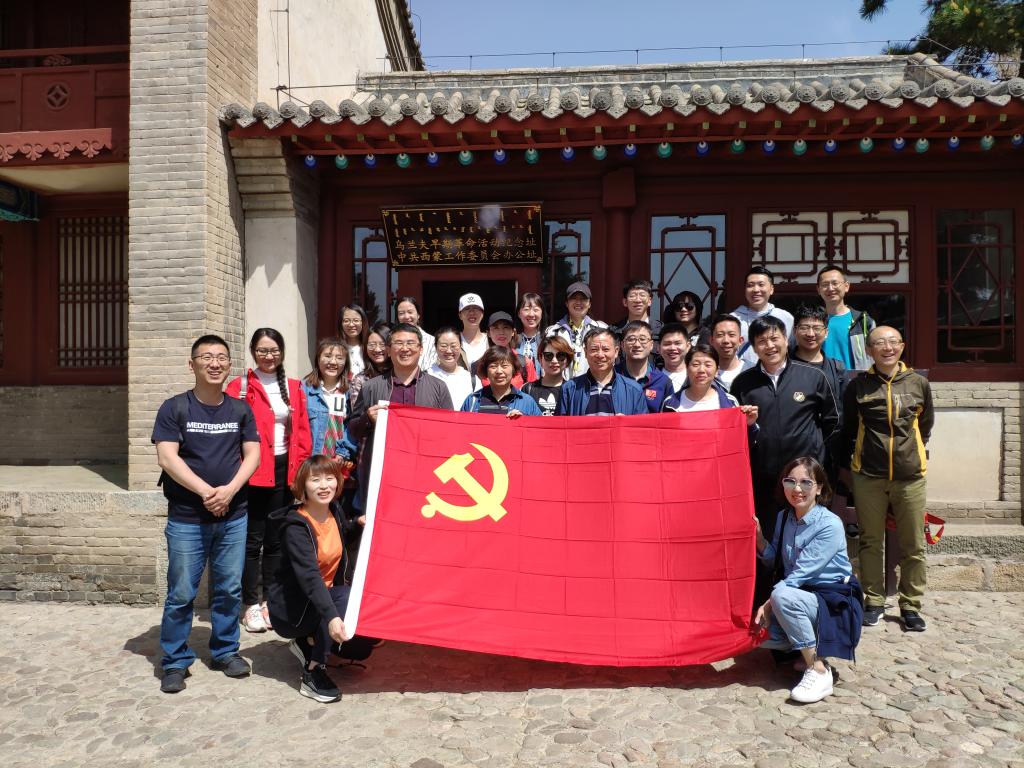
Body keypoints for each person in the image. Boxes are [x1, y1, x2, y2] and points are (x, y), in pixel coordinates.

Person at [152, 334, 260, 693]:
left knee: (228, 588)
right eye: (207, 357)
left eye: (222, 357)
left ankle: (226, 651)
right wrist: (206, 492)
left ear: (229, 365)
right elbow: (167, 457)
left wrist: (229, 491)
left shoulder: (240, 409)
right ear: (192, 364)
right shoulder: (174, 407)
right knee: (181, 592)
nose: (215, 363)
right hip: (187, 517)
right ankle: (175, 660)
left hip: (233, 515)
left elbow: (253, 454)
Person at [841, 326, 934, 631]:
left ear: (902, 346)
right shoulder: (859, 386)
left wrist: (910, 454)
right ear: (869, 350)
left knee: (914, 544)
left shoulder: (918, 384)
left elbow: (925, 425)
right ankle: (874, 601)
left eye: (893, 342)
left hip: (910, 477)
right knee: (871, 541)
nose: (887, 347)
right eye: (879, 343)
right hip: (869, 475)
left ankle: (910, 605)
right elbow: (850, 428)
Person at [267, 455, 377, 703]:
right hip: (293, 610)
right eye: (315, 480)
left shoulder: (334, 511)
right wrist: (332, 617)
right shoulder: (296, 526)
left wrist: (356, 524)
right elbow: (310, 578)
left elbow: (337, 542)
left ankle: (308, 641)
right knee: (346, 598)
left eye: (329, 478)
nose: (324, 485)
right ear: (303, 486)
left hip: (322, 600)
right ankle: (313, 670)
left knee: (362, 648)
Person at [754, 456, 862, 704]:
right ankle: (805, 652)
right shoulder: (784, 517)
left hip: (832, 603)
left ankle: (818, 669)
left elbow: (799, 574)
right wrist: (759, 538)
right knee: (754, 632)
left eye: (806, 482)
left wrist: (768, 605)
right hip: (801, 597)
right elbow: (775, 560)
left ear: (819, 488)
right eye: (790, 481)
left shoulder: (830, 524)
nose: (797, 489)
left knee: (781, 597)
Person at [225, 328, 312, 634]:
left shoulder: (294, 386)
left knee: (275, 541)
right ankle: (249, 603)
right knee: (252, 540)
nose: (268, 356)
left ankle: (269, 602)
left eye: (274, 350)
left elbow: (302, 432)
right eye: (262, 350)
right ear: (253, 352)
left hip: (284, 470)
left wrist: (300, 474)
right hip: (252, 470)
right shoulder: (239, 387)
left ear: (282, 352)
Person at [730, 316, 840, 532]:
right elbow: (735, 430)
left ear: (786, 340)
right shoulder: (743, 383)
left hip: (804, 475)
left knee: (805, 531)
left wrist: (814, 451)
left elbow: (833, 421)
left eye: (774, 338)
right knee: (768, 533)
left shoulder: (813, 376)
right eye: (762, 341)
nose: (770, 346)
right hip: (763, 476)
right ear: (754, 347)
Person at [662, 344, 759, 430]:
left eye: (708, 365)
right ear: (687, 369)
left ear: (717, 371)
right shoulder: (670, 404)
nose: (701, 370)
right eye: (695, 364)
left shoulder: (730, 403)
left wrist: (749, 424)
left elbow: (740, 438)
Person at [557, 328, 647, 416]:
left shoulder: (634, 390)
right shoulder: (569, 389)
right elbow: (559, 425)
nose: (600, 355)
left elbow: (643, 425)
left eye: (606, 349)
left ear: (616, 352)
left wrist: (626, 423)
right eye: (594, 349)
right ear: (585, 352)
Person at [303, 338, 357, 466]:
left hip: (339, 463)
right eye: (327, 356)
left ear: (345, 363)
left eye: (339, 358)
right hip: (311, 462)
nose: (333, 362)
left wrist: (342, 453)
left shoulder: (351, 391)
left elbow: (352, 426)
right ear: (318, 359)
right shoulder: (303, 389)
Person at [817, 264, 876, 371]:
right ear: (818, 289)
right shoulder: (813, 322)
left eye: (835, 283)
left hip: (856, 379)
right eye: (825, 284)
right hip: (822, 378)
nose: (830, 288)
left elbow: (876, 353)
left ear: (846, 286)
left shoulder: (862, 320)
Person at [732, 266, 795, 365]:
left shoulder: (785, 317)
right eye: (750, 285)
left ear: (771, 289)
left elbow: (793, 350)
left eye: (761, 285)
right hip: (743, 373)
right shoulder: (733, 319)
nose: (756, 290)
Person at [545, 281, 608, 376]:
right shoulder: (553, 332)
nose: (578, 302)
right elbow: (546, 363)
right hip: (562, 383)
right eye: (574, 298)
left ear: (589, 304)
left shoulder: (602, 330)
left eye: (583, 299)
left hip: (592, 382)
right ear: (567, 303)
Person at [460, 346, 542, 418]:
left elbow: (539, 428)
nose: (499, 371)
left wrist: (523, 420)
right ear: (486, 370)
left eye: (504, 366)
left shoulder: (527, 402)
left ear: (513, 369)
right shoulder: (472, 400)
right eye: (493, 366)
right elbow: (460, 427)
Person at [615, 320, 671, 413]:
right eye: (631, 339)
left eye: (642, 339)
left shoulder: (662, 381)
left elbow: (670, 418)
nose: (637, 344)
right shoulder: (612, 377)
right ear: (622, 345)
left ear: (651, 345)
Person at [478, 311, 538, 386]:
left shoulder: (525, 363)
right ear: (489, 333)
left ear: (513, 332)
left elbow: (532, 390)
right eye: (496, 328)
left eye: (506, 327)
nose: (501, 332)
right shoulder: (481, 363)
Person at [427, 327, 477, 411]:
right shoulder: (426, 376)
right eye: (443, 346)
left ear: (460, 346)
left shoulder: (472, 380)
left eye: (453, 346)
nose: (449, 351)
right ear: (435, 347)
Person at [522, 335, 572, 416]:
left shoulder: (573, 391)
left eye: (560, 356)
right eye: (548, 356)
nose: (554, 361)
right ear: (540, 358)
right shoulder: (528, 389)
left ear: (567, 360)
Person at [348, 326, 390, 411]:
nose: (377, 349)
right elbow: (357, 413)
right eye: (372, 345)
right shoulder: (360, 379)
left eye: (382, 344)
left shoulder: (399, 375)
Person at [709, 314, 753, 391]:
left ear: (740, 340)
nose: (726, 340)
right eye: (720, 335)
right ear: (711, 340)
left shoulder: (753, 371)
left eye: (731, 335)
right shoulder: (703, 373)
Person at [396, 296, 437, 372]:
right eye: (401, 313)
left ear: (418, 315)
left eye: (410, 312)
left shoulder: (432, 342)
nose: (406, 317)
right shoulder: (392, 341)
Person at [515, 292, 546, 372]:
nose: (531, 314)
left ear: (542, 313)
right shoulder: (512, 339)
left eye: (536, 310)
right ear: (519, 313)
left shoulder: (547, 339)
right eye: (526, 309)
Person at [338, 304, 370, 378]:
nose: (351, 324)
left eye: (356, 320)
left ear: (363, 322)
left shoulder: (370, 348)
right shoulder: (335, 348)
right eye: (346, 321)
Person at [658, 322, 692, 391]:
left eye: (677, 343)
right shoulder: (651, 379)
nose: (672, 348)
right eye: (667, 344)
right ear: (658, 348)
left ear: (688, 346)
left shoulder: (697, 377)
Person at [458, 293, 488, 369]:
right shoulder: (453, 340)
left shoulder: (492, 340)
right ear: (460, 315)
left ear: (482, 314)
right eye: (467, 309)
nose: (471, 312)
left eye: (476, 308)